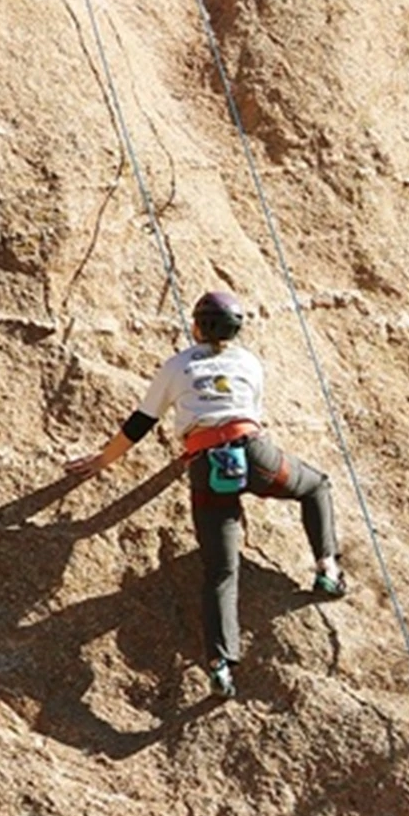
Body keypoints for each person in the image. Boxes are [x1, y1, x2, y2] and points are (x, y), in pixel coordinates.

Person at [66, 289, 345, 699]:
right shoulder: (249, 362)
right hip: (255, 454)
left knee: (220, 571)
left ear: (196, 326)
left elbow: (142, 422)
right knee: (316, 485)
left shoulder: (177, 366)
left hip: (206, 465)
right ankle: (327, 570)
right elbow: (250, 413)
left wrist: (102, 461)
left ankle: (220, 667)